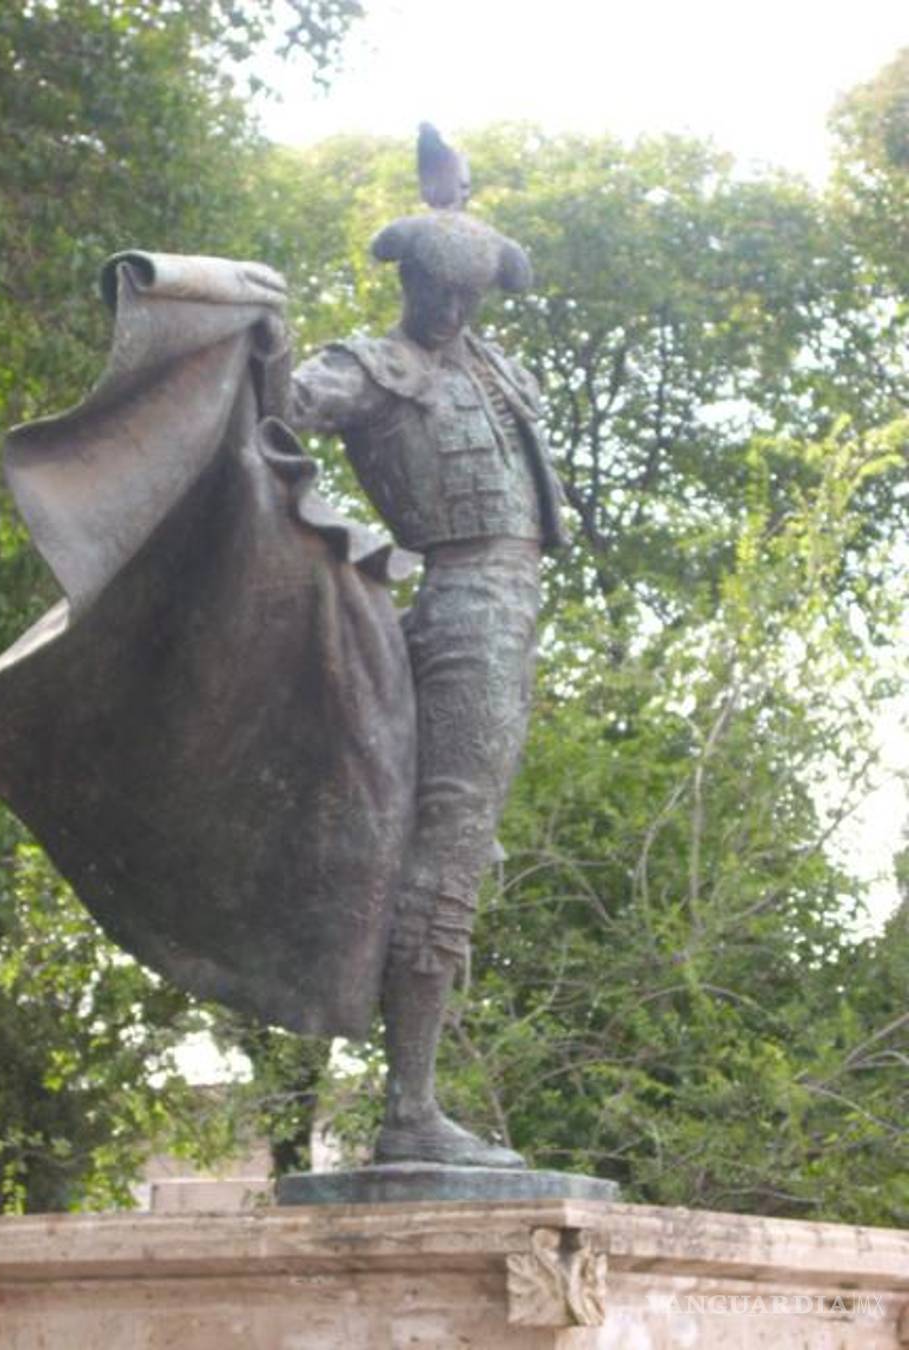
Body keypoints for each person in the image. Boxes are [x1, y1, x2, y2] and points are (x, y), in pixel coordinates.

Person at [286, 208, 567, 1166]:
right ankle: (409, 1111)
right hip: (462, 604)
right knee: (450, 848)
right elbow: (282, 403)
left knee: (451, 843)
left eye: (468, 293)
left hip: (504, 609)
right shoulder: (376, 367)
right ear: (406, 282)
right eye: (437, 290)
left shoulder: (492, 370)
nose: (450, 309)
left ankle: (413, 1103)